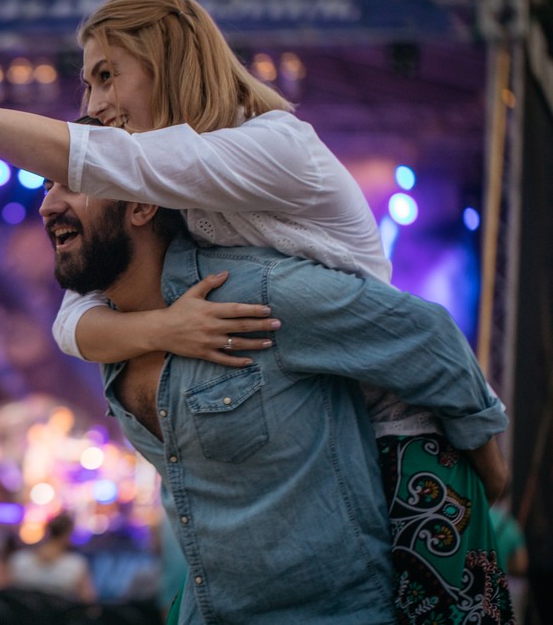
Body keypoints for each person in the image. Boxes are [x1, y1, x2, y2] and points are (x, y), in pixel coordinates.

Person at [0, 0, 509, 619]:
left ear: (166, 62)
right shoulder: (182, 216)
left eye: (107, 76)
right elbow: (72, 317)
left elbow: (426, 338)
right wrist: (162, 324)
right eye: (87, 84)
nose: (94, 103)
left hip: (409, 436)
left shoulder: (270, 150)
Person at [37, 177, 509, 622]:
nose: (47, 205)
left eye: (73, 185)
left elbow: (430, 336)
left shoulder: (253, 294)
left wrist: (487, 467)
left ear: (140, 204)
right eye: (46, 186)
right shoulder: (107, 337)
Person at [8, 512, 96, 604]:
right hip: (60, 616)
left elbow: (0, 590)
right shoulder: (75, 564)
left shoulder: (20, 559)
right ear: (68, 535)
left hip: (22, 616)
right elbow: (88, 600)